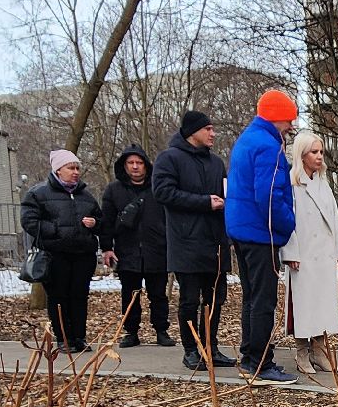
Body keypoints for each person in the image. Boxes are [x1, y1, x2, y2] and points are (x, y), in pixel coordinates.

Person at [225, 90, 300, 384]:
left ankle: (250, 356)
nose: (291, 126)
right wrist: (288, 224)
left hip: (243, 232)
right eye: (289, 120)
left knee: (252, 298)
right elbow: (268, 196)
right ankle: (259, 362)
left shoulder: (246, 141)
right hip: (261, 234)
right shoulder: (268, 147)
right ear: (278, 117)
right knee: (263, 300)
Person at [154, 110, 237, 371]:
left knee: (215, 299)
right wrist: (203, 202)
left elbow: (224, 193)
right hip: (186, 243)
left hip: (215, 243)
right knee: (189, 299)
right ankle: (191, 350)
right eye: (208, 129)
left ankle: (210, 346)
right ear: (192, 132)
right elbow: (163, 192)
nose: (213, 134)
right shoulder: (169, 159)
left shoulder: (215, 163)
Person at [21, 149, 111, 353]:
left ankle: (79, 337)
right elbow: (29, 221)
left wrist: (95, 223)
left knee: (79, 296)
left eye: (78, 167)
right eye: (71, 167)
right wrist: (56, 231)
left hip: (83, 255)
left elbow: (102, 222)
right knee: (58, 297)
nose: (76, 172)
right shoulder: (38, 193)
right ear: (58, 170)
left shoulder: (86, 196)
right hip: (55, 255)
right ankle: (63, 338)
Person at [282, 131, 338, 375]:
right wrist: (291, 253)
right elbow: (287, 222)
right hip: (304, 255)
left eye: (321, 152)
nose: (319, 157)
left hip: (324, 255)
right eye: (314, 152)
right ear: (302, 154)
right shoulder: (291, 183)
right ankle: (302, 351)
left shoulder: (324, 184)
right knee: (303, 305)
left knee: (322, 303)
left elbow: (334, 220)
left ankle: (320, 350)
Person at [103, 144, 172, 348]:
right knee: (130, 294)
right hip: (127, 251)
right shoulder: (113, 190)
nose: (135, 167)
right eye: (130, 163)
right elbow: (106, 221)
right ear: (124, 166)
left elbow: (169, 219)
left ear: (146, 165)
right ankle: (131, 332)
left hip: (156, 249)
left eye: (139, 163)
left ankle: (161, 330)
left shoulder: (158, 189)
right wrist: (107, 247)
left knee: (158, 294)